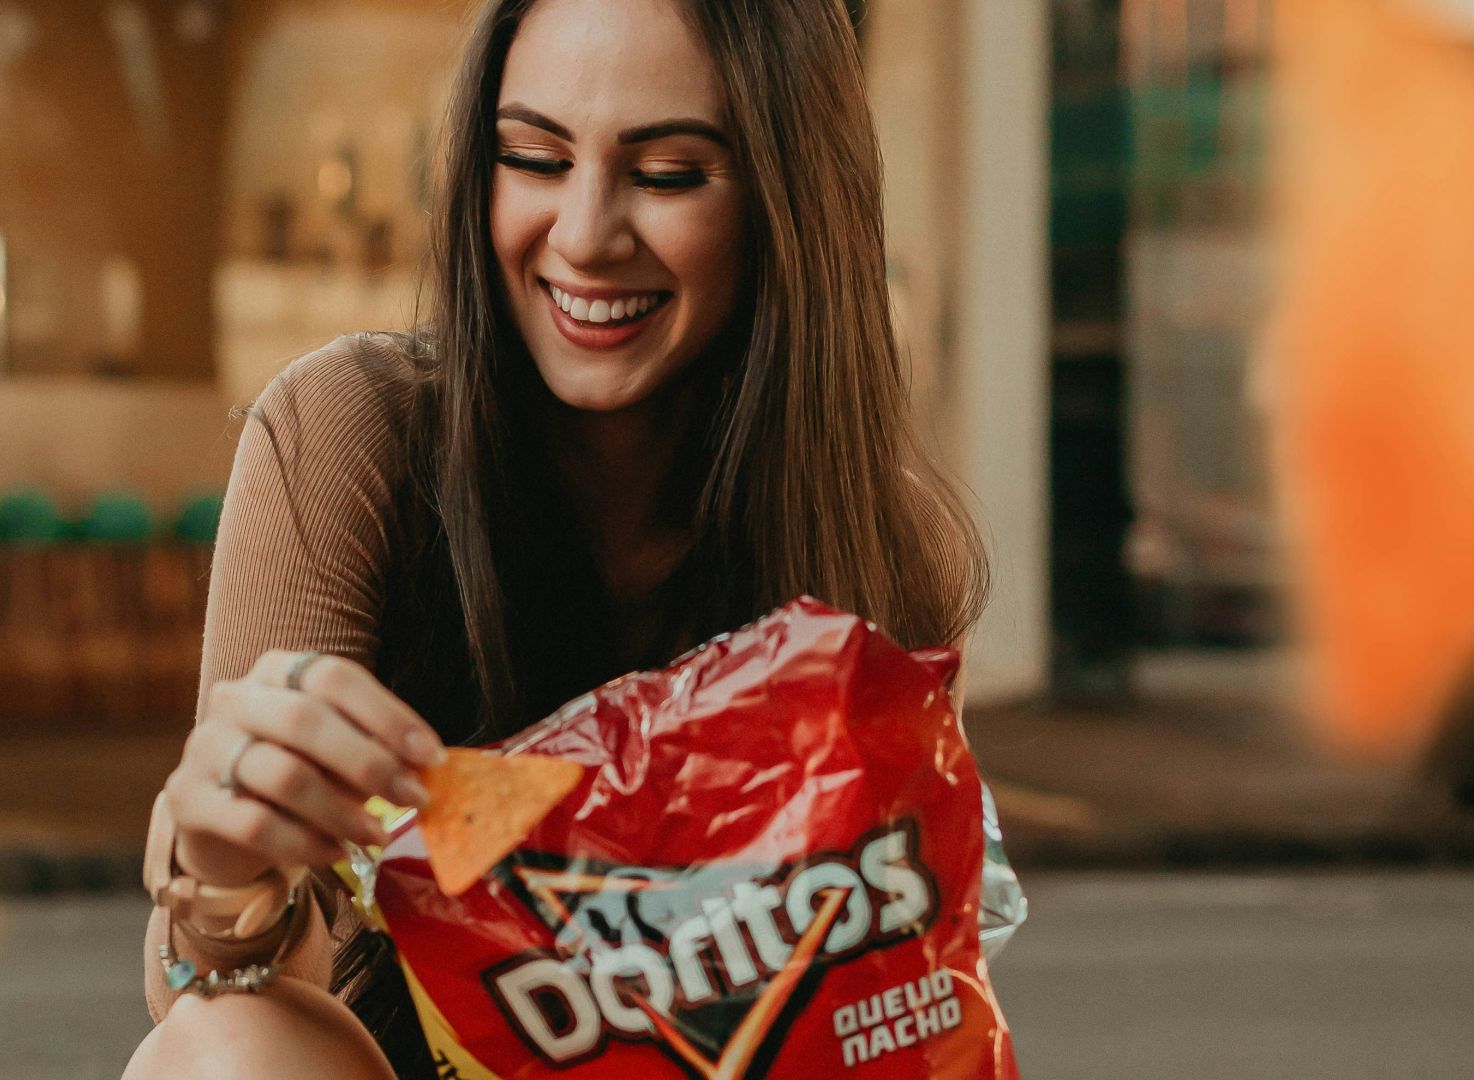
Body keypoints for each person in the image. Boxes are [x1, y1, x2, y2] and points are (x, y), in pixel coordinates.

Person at [124, 1, 989, 1077]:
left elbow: (891, 1019)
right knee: (227, 1041)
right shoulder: (351, 436)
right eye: (533, 158)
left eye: (668, 174)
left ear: (786, 199)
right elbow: (217, 1012)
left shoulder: (878, 542)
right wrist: (224, 866)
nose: (582, 235)